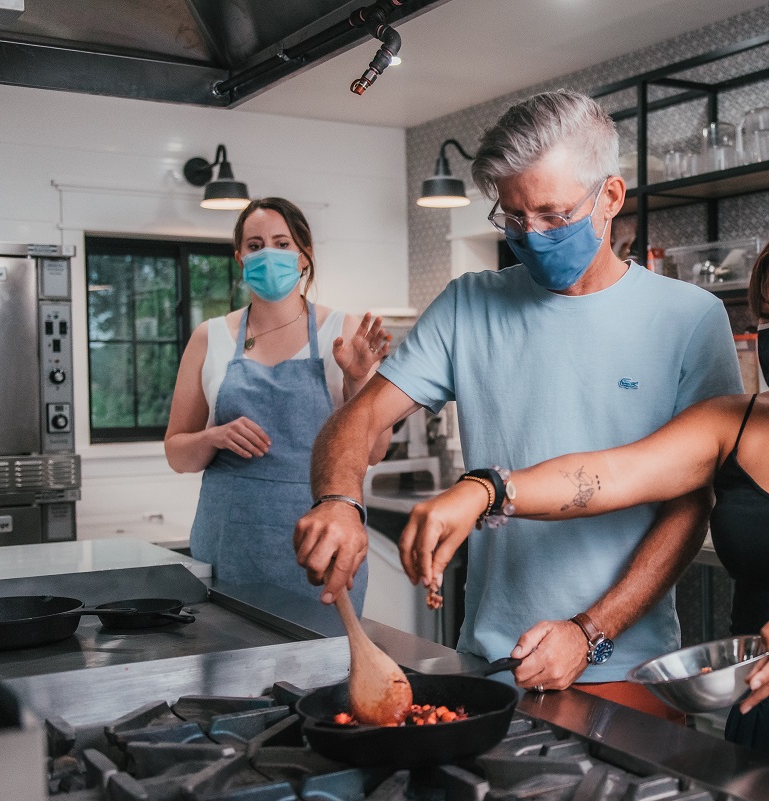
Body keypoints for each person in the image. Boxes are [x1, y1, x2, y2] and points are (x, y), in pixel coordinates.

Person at [399, 193, 769, 801]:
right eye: (768, 317)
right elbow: (611, 475)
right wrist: (489, 490)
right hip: (766, 719)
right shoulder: (732, 422)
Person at [293, 89, 743, 720]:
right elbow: (359, 417)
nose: (531, 237)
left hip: (624, 668)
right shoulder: (468, 304)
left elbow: (692, 503)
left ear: (610, 198)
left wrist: (590, 633)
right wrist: (338, 499)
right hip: (489, 662)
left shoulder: (690, 318)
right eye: (514, 218)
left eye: (554, 216)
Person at [166, 197, 390, 607]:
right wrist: (214, 436)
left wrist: (357, 380)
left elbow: (374, 451)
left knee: (323, 666)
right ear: (240, 258)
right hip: (226, 551)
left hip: (320, 548)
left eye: (282, 243)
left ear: (305, 257)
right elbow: (178, 454)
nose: (268, 254)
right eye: (254, 245)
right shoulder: (209, 337)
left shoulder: (343, 331)